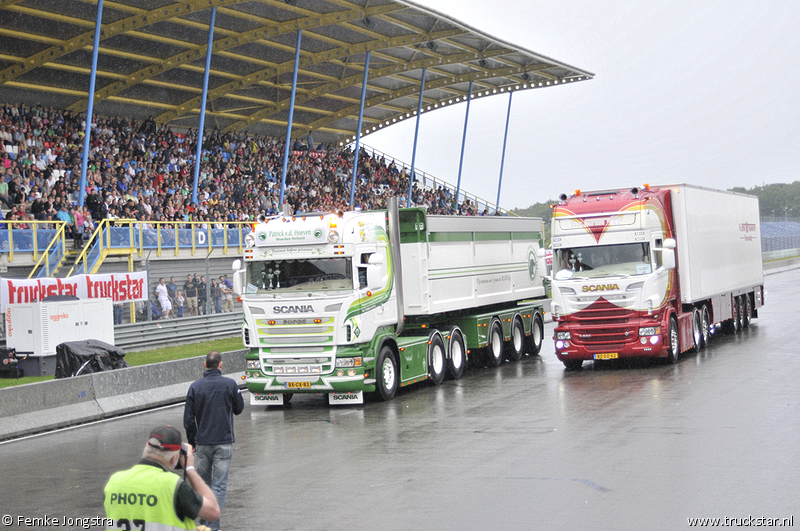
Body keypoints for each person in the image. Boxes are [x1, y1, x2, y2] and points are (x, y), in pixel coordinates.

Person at [103, 425, 220, 530]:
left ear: (146, 446)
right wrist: (189, 469)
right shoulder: (173, 485)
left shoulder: (115, 481)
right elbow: (213, 512)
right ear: (175, 457)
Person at [184, 351, 244, 531]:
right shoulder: (230, 384)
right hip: (223, 442)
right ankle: (212, 525)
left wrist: (192, 441)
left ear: (204, 365)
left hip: (202, 443)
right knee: (219, 486)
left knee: (203, 484)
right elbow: (239, 409)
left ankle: (204, 522)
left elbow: (188, 419)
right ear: (220, 365)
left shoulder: (195, 387)